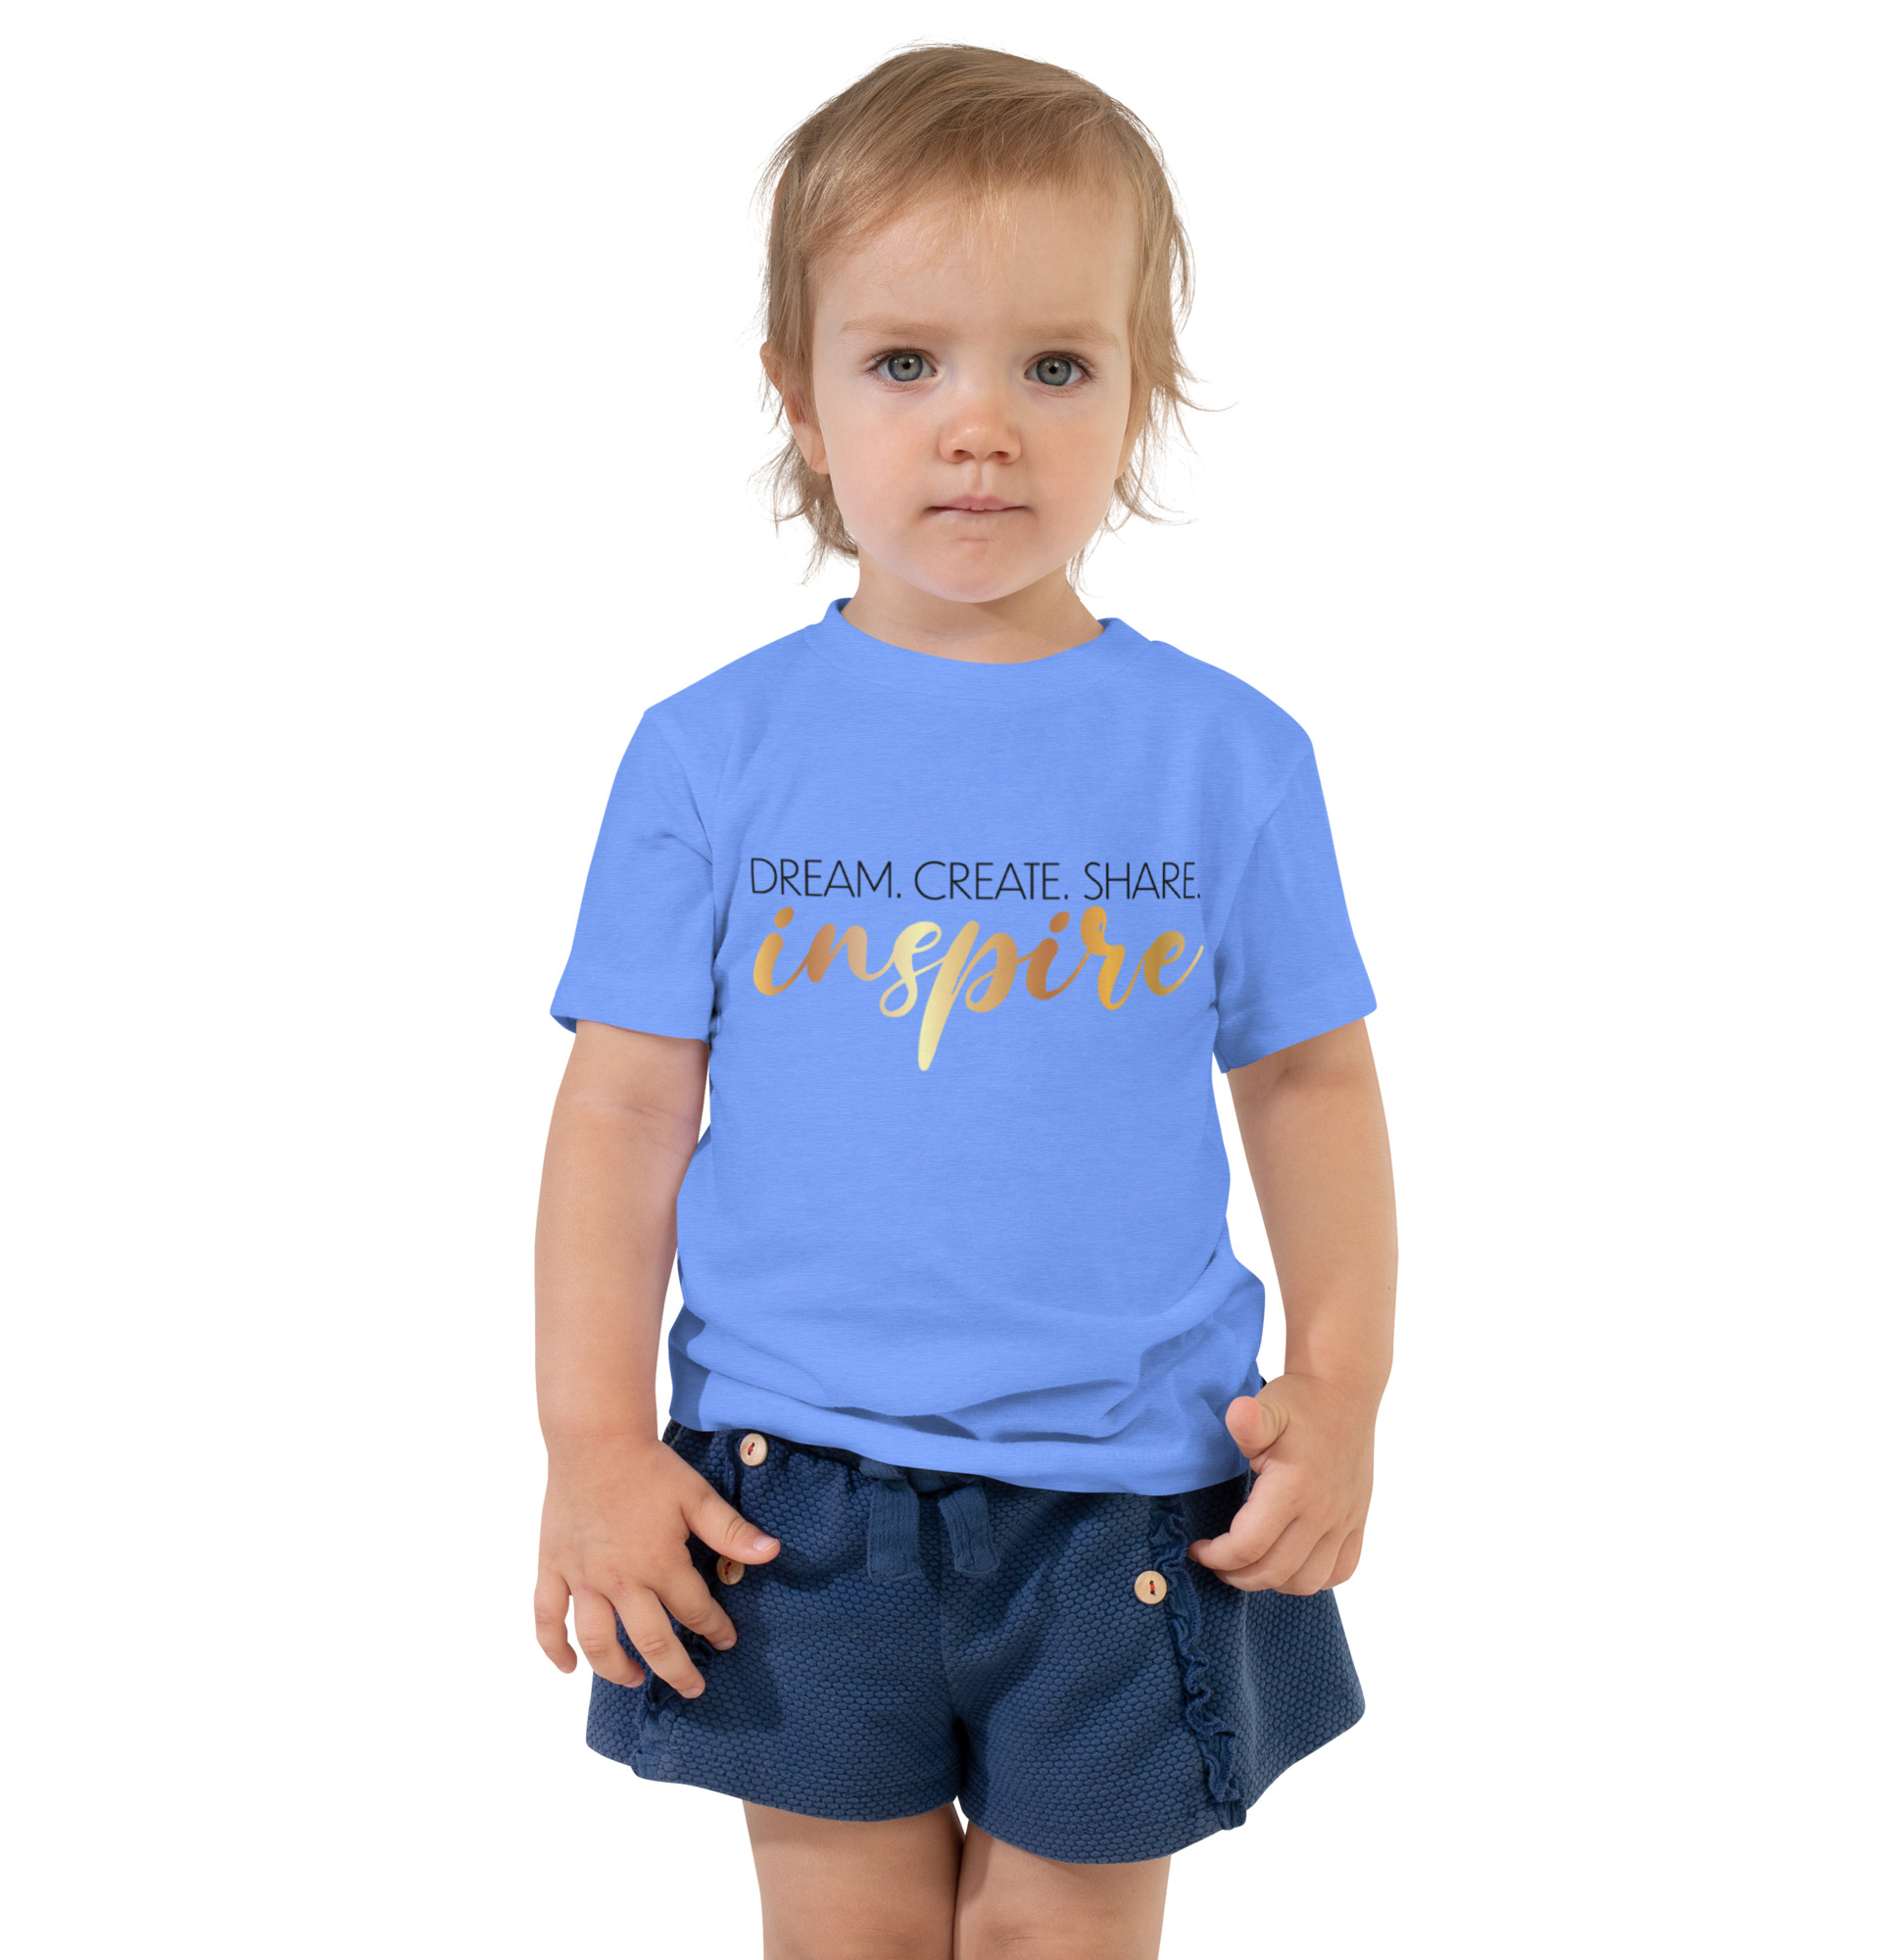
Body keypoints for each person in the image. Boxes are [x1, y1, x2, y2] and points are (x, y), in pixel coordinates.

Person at [534, 44, 1396, 1960]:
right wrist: (592, 1442)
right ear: (801, 391)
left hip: (1131, 1489)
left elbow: (1313, 1085)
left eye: (1055, 366)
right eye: (907, 361)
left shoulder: (1225, 758)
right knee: (842, 1932)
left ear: (1140, 390)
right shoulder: (709, 753)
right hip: (790, 1492)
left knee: (1056, 1939)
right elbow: (622, 1112)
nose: (980, 428)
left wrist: (1341, 1388)